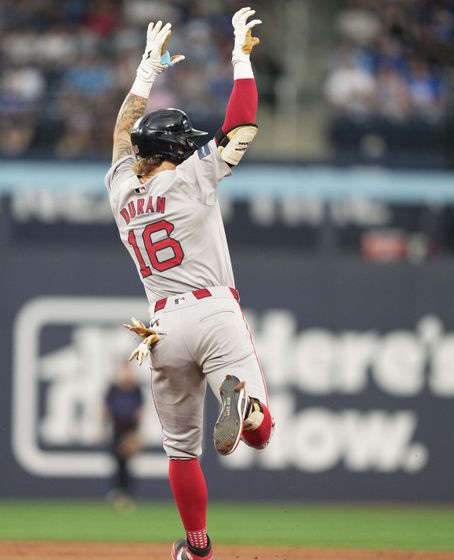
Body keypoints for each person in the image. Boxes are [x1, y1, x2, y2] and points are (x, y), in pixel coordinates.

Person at [104, 9, 274, 560]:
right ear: (177, 150)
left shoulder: (122, 193)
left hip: (163, 327)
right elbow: (242, 125)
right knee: (262, 435)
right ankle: (246, 411)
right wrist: (241, 58)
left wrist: (146, 73)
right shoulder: (192, 174)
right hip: (214, 310)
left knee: (182, 453)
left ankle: (196, 548)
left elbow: (120, 138)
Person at [104, 361, 144, 509]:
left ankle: (128, 495)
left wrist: (136, 435)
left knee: (127, 466)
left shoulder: (135, 390)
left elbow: (140, 412)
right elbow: (106, 410)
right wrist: (101, 429)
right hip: (117, 432)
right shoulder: (113, 389)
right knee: (118, 464)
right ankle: (118, 493)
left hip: (130, 433)